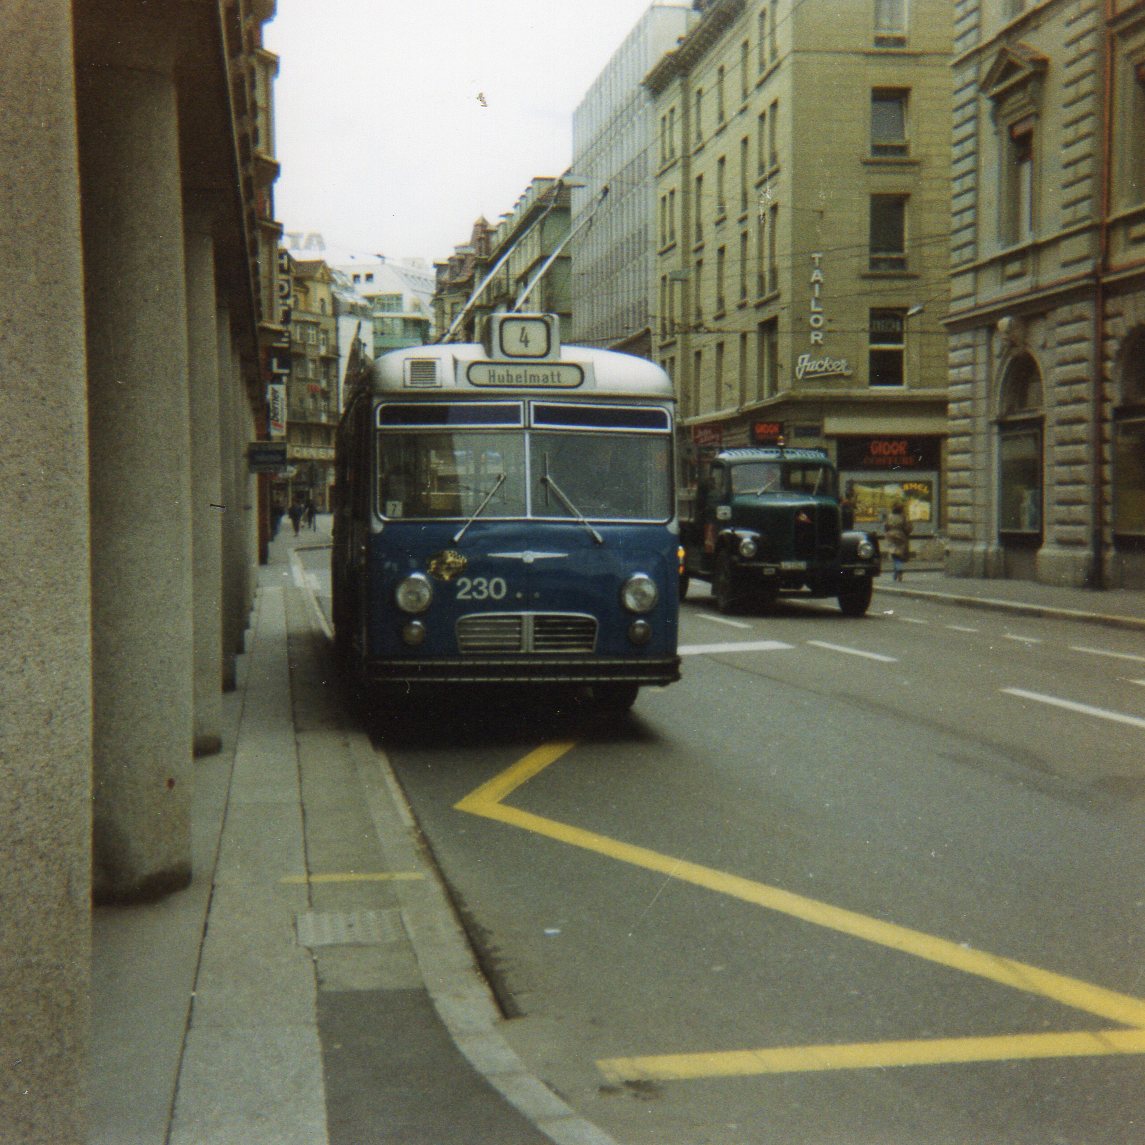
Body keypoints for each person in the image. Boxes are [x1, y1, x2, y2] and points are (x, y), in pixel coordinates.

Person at [884, 500, 912, 581]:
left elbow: (886, 526)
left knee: (894, 554)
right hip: (900, 535)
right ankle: (897, 571)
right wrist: (906, 533)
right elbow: (908, 527)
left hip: (891, 535)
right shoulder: (903, 516)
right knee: (899, 554)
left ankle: (898, 569)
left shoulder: (889, 516)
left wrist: (887, 532)